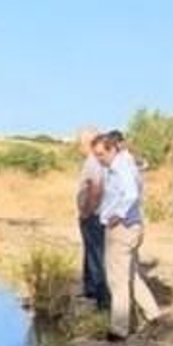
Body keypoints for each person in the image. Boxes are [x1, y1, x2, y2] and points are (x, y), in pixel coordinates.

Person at [94, 133, 162, 340]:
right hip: (131, 226)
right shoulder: (125, 163)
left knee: (117, 280)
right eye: (96, 155)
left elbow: (131, 194)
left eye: (101, 154)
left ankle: (119, 329)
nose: (99, 158)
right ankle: (154, 315)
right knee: (131, 275)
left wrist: (117, 215)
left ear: (113, 149)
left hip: (122, 228)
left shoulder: (121, 167)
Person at [75, 127, 109, 305]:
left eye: (79, 142)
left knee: (97, 256)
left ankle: (101, 298)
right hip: (93, 215)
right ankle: (90, 291)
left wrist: (87, 211)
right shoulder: (94, 160)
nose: (78, 146)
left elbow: (96, 189)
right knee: (91, 253)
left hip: (94, 216)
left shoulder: (93, 162)